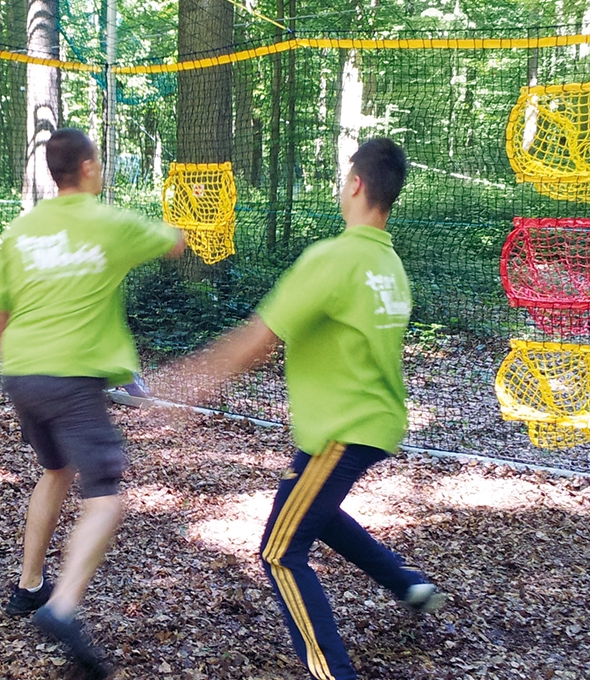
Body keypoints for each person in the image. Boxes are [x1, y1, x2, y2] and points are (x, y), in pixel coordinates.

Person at [165, 138, 446, 680]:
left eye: (346, 179)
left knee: (278, 549)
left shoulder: (335, 258)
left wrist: (190, 383)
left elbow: (258, 337)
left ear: (357, 184)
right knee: (316, 512)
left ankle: (332, 672)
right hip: (375, 422)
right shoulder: (389, 265)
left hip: (341, 429)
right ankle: (408, 584)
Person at [0, 128, 186, 677]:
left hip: (20, 372)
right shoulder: (110, 222)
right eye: (100, 161)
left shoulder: (20, 231)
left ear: (54, 171)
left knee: (55, 471)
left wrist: (21, 371)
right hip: (72, 379)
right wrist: (187, 225)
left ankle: (29, 588)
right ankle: (63, 607)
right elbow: (174, 243)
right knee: (106, 498)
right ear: (90, 168)